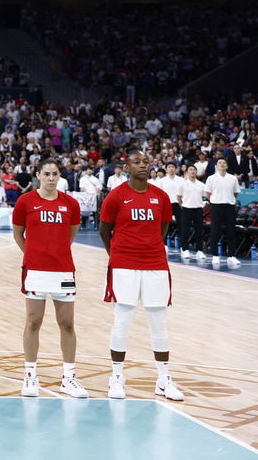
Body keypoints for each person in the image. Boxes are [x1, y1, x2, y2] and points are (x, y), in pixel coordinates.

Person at [100, 147, 183, 401]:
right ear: (127, 167)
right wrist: (117, 255)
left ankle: (163, 378)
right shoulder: (115, 197)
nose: (142, 165)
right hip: (124, 264)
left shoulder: (161, 196)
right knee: (122, 321)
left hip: (155, 265)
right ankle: (116, 377)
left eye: (146, 161)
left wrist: (150, 248)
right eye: (136, 162)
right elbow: (105, 231)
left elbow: (164, 227)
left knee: (159, 324)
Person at [12, 156, 87, 398]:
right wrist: (34, 254)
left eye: (55, 174)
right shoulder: (25, 202)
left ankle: (69, 377)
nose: (51, 178)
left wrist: (55, 253)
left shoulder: (70, 204)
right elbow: (18, 234)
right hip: (35, 271)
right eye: (47, 174)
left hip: (63, 270)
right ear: (38, 175)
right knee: (34, 322)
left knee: (67, 324)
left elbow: (71, 234)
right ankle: (30, 375)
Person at [204, 158, 242, 269]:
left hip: (230, 207)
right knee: (215, 231)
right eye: (220, 163)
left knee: (231, 232)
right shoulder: (211, 178)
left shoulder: (233, 178)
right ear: (216, 165)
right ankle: (215, 255)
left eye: (224, 163)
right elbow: (207, 194)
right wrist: (216, 200)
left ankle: (231, 256)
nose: (222, 164)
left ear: (227, 166)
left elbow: (235, 193)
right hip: (216, 207)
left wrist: (229, 199)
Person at [178, 164, 207, 260]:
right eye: (190, 169)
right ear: (187, 172)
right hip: (186, 209)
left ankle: (199, 251)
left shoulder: (201, 184)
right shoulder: (182, 184)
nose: (193, 171)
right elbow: (179, 197)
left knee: (199, 231)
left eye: (194, 170)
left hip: (198, 209)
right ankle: (185, 249)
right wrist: (182, 205)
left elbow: (206, 196)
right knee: (185, 231)